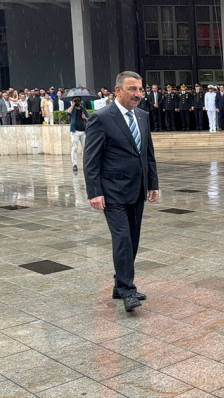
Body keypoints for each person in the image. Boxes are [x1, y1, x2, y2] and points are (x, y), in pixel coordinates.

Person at [83, 71, 159, 312]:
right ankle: (127, 290)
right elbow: (91, 159)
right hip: (112, 191)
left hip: (137, 190)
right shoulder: (101, 118)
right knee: (123, 239)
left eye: (140, 89)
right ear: (117, 91)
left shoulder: (143, 116)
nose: (138, 94)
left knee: (133, 240)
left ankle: (119, 285)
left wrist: (153, 184)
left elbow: (148, 154)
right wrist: (94, 192)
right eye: (132, 89)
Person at [67, 97, 89, 172]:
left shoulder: (83, 109)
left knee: (85, 148)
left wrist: (85, 118)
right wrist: (73, 104)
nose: (77, 102)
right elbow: (68, 113)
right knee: (74, 148)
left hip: (83, 131)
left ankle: (85, 163)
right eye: (75, 100)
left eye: (78, 100)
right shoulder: (72, 109)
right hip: (75, 131)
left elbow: (88, 119)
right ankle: (74, 164)